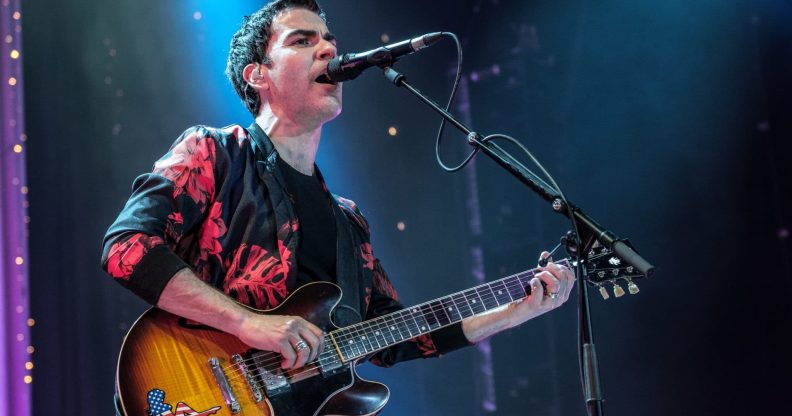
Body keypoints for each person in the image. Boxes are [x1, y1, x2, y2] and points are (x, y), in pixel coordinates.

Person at [102, 0, 574, 400]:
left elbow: (395, 337)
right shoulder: (215, 153)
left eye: (328, 39)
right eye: (302, 41)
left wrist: (516, 311)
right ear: (258, 75)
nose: (329, 48)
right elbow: (126, 249)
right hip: (203, 390)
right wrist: (249, 325)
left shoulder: (348, 221)